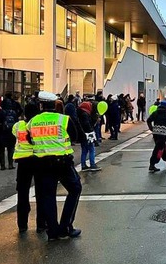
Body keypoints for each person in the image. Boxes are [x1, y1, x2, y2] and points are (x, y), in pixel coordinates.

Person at [29, 91, 83, 241]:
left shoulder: (32, 121)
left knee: (47, 196)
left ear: (41, 105)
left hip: (42, 164)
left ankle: (52, 231)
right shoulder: (63, 119)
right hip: (62, 162)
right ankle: (66, 227)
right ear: (55, 104)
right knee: (75, 189)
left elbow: (29, 139)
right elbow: (75, 136)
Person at [13, 102, 45, 233]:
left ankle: (22, 224)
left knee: (22, 193)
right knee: (41, 192)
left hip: (22, 161)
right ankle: (41, 224)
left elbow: (15, 134)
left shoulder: (18, 126)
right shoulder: (38, 126)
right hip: (38, 160)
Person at [146, 100, 166, 172]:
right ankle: (152, 164)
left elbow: (149, 120)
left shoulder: (156, 112)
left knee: (162, 147)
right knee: (159, 149)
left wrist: (151, 128)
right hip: (163, 133)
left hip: (155, 133)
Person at [0, 102, 18, 170]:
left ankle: (2, 166)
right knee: (11, 149)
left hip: (1, 133)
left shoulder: (0, 113)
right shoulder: (14, 113)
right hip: (11, 133)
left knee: (1, 150)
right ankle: (10, 164)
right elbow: (16, 123)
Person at [78, 101, 100, 171]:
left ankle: (83, 165)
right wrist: (92, 131)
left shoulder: (79, 113)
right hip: (88, 134)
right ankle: (92, 164)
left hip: (82, 134)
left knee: (84, 150)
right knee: (91, 149)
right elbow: (88, 125)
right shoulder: (85, 114)